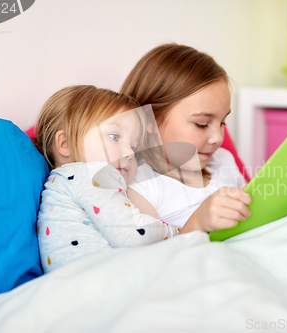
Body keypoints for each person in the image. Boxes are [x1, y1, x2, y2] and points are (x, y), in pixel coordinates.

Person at [33, 85, 183, 273]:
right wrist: (178, 232)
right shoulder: (91, 175)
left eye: (134, 147)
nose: (129, 153)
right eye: (114, 137)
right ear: (66, 144)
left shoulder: (61, 182)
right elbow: (132, 235)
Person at [121, 43, 252, 234]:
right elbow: (152, 258)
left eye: (222, 122)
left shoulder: (224, 161)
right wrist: (196, 224)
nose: (217, 138)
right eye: (201, 124)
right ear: (149, 119)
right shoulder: (140, 188)